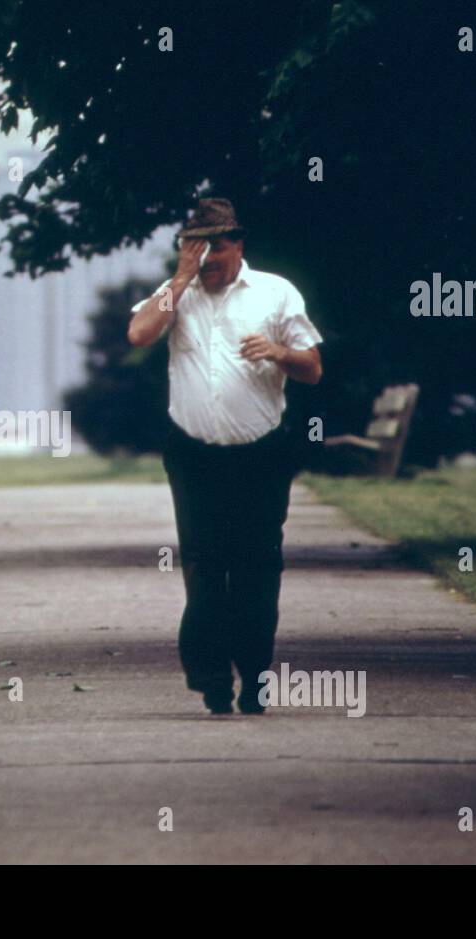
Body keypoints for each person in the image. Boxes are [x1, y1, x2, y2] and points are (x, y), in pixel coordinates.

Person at [127, 198, 323, 715]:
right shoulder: (178, 294)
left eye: (215, 247)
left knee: (258, 566)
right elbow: (139, 334)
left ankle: (257, 677)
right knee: (204, 564)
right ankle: (212, 677)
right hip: (194, 454)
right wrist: (180, 278)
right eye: (196, 247)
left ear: (238, 244)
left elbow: (313, 367)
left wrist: (279, 353)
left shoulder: (275, 293)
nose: (206, 258)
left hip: (261, 453)